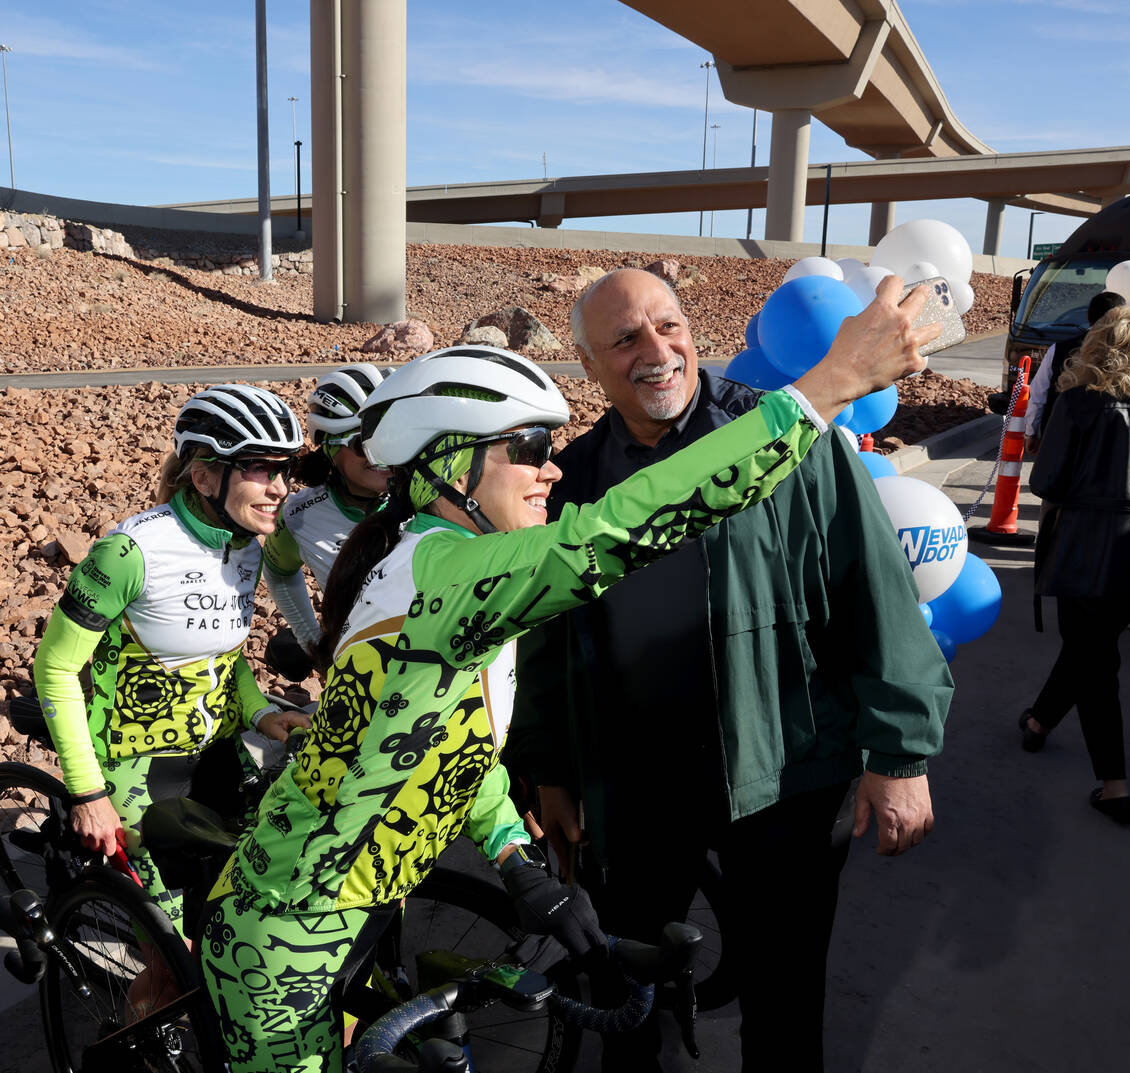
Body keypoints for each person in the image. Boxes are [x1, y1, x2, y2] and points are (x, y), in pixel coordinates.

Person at [200, 287, 936, 1073]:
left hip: (354, 906)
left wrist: (514, 857)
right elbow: (623, 528)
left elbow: (448, 744)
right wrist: (824, 387)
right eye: (526, 448)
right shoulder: (453, 576)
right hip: (293, 929)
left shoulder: (432, 558)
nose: (551, 466)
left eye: (550, 444)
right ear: (452, 461)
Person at [503, 269, 954, 1073]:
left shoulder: (789, 438)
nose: (657, 350)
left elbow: (872, 590)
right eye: (625, 339)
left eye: (668, 325)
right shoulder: (571, 483)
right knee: (626, 991)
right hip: (635, 791)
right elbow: (542, 640)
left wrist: (900, 753)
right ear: (585, 364)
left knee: (785, 1004)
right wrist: (548, 769)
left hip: (785, 777)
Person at [31, 384, 312, 930]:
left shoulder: (246, 544)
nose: (280, 488)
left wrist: (259, 713)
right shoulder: (131, 553)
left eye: (285, 470)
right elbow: (56, 668)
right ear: (204, 476)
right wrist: (87, 793)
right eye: (259, 468)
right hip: (136, 769)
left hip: (218, 754)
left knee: (250, 912)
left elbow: (225, 651)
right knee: (177, 958)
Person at [1019, 306, 1130, 823]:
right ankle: (1038, 724)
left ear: (1099, 346)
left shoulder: (1079, 403)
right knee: (1088, 649)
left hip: (1086, 551)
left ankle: (1115, 786)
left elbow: (1046, 484)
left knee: (1094, 660)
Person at [263, 364, 393, 663]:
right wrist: (313, 642)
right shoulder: (299, 516)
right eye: (364, 444)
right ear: (331, 449)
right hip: (357, 672)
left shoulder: (428, 499)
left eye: (390, 438)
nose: (381, 455)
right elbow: (279, 574)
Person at [1025, 290, 1125, 453]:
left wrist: (1031, 432)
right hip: (1109, 443)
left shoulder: (1059, 349)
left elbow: (1038, 394)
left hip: (1060, 437)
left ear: (1088, 317)